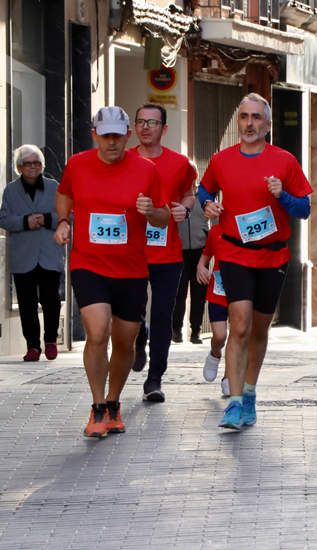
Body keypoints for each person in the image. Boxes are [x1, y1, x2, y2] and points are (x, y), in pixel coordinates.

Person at [54, 105, 169, 438]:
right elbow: (64, 194)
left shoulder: (146, 170)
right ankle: (97, 407)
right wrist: (64, 221)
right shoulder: (77, 165)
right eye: (105, 137)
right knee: (97, 332)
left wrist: (152, 212)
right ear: (95, 136)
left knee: (124, 342)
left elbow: (164, 217)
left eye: (118, 136)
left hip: (131, 269)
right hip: (88, 263)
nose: (112, 143)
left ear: (127, 136)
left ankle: (114, 401)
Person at [198, 93, 312, 430]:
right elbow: (204, 191)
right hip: (234, 252)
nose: (249, 123)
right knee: (241, 323)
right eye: (244, 117)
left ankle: (249, 393)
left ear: (268, 124)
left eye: (256, 118)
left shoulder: (285, 161)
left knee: (259, 329)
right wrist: (209, 205)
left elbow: (304, 209)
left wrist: (283, 195)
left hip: (273, 255)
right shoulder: (222, 160)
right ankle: (233, 402)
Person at [127, 103, 197, 403]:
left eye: (152, 122)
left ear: (164, 129)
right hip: (130, 251)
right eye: (140, 121)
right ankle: (138, 338)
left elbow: (189, 194)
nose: (146, 127)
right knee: (132, 312)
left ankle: (155, 378)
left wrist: (184, 207)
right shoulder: (124, 159)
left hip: (167, 252)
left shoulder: (180, 163)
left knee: (163, 315)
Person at [0, 145, 65, 361]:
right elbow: (4, 220)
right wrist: (25, 222)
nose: (33, 167)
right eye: (28, 164)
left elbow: (68, 216)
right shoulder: (10, 190)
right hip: (23, 256)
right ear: (19, 168)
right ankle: (33, 346)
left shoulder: (55, 187)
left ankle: (51, 341)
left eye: (37, 163)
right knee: (27, 303)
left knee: (51, 301)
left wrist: (47, 219)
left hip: (49, 254)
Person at [197, 224, 230, 397]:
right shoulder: (216, 231)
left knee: (238, 335)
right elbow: (206, 255)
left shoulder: (246, 225)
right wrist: (201, 267)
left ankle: (229, 378)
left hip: (242, 290)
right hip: (218, 290)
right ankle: (214, 354)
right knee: (220, 335)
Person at [173, 200, 209, 344]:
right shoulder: (177, 197)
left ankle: (196, 331)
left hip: (200, 251)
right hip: (179, 251)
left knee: (199, 293)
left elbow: (216, 217)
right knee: (178, 291)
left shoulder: (204, 199)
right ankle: (176, 330)